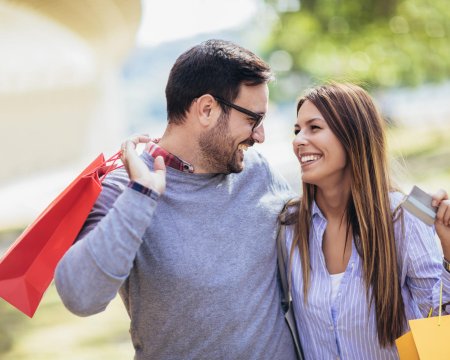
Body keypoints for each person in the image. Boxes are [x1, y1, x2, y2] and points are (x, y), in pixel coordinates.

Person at [55, 39, 298, 359]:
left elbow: (316, 231)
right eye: (253, 119)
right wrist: (141, 195)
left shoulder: (257, 171)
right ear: (207, 109)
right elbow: (80, 296)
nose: (260, 136)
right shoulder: (124, 189)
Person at [282, 82, 450, 359]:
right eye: (297, 130)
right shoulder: (290, 226)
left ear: (353, 136)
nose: (299, 140)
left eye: (314, 127)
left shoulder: (405, 214)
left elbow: (438, 321)